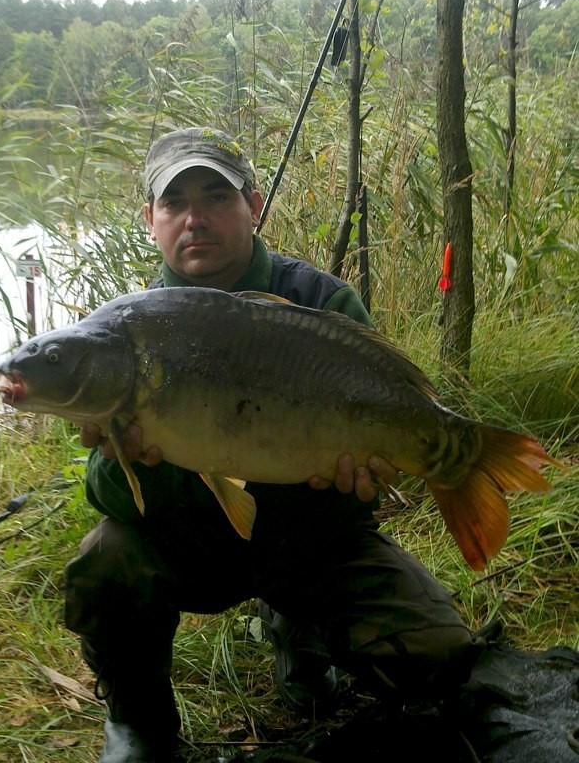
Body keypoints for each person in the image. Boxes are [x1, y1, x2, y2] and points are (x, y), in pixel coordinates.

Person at [65, 127, 485, 763]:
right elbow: (108, 495)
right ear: (151, 221)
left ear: (252, 206)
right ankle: (139, 719)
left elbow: (363, 494)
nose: (195, 218)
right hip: (198, 546)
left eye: (215, 196)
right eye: (174, 203)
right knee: (105, 561)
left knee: (439, 655)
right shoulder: (125, 332)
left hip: (313, 541)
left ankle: (302, 632)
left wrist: (361, 478)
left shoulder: (320, 301)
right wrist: (142, 463)